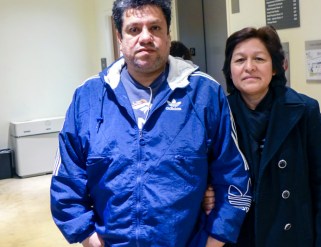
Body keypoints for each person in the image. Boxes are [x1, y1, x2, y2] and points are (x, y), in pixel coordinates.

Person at [50, 0, 252, 246]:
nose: (145, 37)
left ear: (168, 35)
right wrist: (88, 237)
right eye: (134, 29)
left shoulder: (204, 94)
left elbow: (234, 178)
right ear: (119, 38)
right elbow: (66, 181)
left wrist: (215, 239)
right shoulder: (88, 97)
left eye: (155, 28)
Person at [203, 25, 321, 246]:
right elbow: (204, 172)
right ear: (230, 70)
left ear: (276, 68)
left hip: (292, 236)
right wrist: (206, 192)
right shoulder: (218, 114)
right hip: (238, 236)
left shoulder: (304, 111)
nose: (249, 67)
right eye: (239, 60)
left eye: (259, 59)